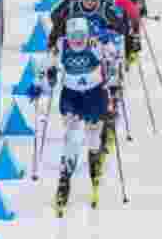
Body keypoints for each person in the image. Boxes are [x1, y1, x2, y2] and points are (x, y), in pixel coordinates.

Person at [33, 17, 121, 216]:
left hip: (94, 94)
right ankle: (64, 180)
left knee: (92, 137)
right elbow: (46, 65)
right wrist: (40, 84)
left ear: (87, 34)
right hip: (71, 96)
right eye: (73, 36)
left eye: (81, 36)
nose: (78, 41)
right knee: (71, 137)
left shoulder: (95, 44)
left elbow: (115, 57)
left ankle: (95, 160)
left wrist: (111, 61)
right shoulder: (62, 45)